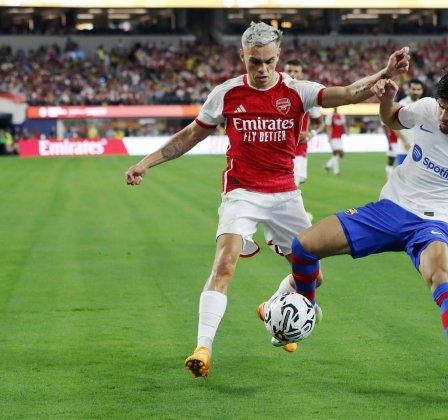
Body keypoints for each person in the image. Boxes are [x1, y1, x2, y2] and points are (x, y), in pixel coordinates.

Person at [124, 21, 411, 380]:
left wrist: (385, 72)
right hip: (241, 192)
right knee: (224, 263)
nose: (262, 70)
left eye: (269, 62)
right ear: (242, 56)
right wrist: (146, 163)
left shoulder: (299, 91)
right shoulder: (226, 94)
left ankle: (272, 306)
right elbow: (189, 136)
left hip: (286, 195)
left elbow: (350, 93)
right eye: (254, 62)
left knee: (314, 277)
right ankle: (203, 347)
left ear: (279, 57)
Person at [282, 64, 448, 400]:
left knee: (440, 277)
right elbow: (391, 119)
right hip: (387, 210)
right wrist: (387, 99)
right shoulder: (427, 110)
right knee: (303, 245)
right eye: (442, 107)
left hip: (431, 224)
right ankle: (306, 309)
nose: (443, 117)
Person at [283, 59, 324, 190]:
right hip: (277, 148)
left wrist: (311, 133)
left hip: (298, 149)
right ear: (284, 72)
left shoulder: (308, 95)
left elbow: (320, 123)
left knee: (291, 189)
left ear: (301, 75)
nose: (292, 74)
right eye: (289, 71)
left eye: (296, 71)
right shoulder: (272, 93)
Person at [390, 79, 426, 165]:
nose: (416, 92)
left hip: (420, 150)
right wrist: (405, 141)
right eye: (413, 89)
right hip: (404, 149)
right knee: (403, 177)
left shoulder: (424, 105)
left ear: (422, 91)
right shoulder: (402, 105)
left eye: (418, 89)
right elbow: (393, 126)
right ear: (409, 90)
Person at [323, 107, 347, 176]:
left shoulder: (341, 116)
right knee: (337, 153)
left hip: (339, 138)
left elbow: (343, 125)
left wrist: (347, 131)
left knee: (340, 154)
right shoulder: (330, 116)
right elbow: (328, 127)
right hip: (333, 138)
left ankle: (327, 166)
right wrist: (329, 137)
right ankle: (336, 172)